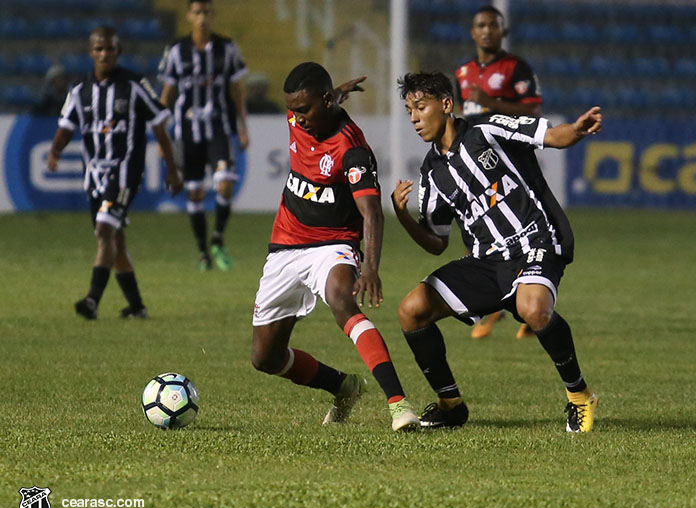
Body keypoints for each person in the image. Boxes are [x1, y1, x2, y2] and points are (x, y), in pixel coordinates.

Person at [392, 72, 601, 432]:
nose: (413, 117)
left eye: (420, 107)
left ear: (445, 105)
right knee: (412, 311)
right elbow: (436, 241)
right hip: (486, 262)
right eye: (409, 110)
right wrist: (401, 216)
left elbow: (550, 135)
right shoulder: (431, 174)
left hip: (536, 240)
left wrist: (578, 131)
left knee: (533, 309)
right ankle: (451, 405)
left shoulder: (487, 129)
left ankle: (580, 396)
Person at [249, 62, 419, 432]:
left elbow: (372, 213)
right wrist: (337, 92)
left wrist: (370, 267)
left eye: (304, 110)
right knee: (264, 357)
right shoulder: (304, 116)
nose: (297, 119)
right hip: (285, 244)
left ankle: (399, 404)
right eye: (293, 110)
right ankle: (343, 386)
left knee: (343, 300)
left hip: (333, 243)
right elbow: (323, 103)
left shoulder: (352, 150)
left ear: (324, 101)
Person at [47, 26, 182, 320]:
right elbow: (66, 127)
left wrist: (171, 169)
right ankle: (137, 307)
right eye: (99, 49)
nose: (104, 54)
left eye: (110, 48)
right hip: (94, 175)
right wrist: (55, 152)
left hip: (124, 173)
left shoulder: (135, 85)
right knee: (114, 240)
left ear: (118, 52)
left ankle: (92, 300)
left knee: (105, 229)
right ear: (91, 53)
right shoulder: (79, 91)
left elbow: (159, 125)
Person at [455, 4, 543, 338]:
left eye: (494, 25)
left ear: (502, 30)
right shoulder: (463, 72)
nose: (487, 30)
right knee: (474, 230)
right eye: (481, 25)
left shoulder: (516, 67)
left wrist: (491, 103)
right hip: (474, 163)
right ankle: (502, 305)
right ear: (473, 32)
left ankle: (530, 305)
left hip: (510, 163)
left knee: (522, 233)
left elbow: (532, 110)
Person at [159, 0, 249, 271]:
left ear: (213, 15)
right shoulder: (177, 51)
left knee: (225, 184)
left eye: (207, 12)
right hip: (187, 132)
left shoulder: (227, 48)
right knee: (195, 193)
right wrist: (160, 132)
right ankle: (203, 253)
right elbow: (168, 95)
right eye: (197, 13)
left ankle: (217, 239)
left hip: (218, 128)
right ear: (189, 16)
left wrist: (243, 127)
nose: (202, 18)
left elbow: (236, 91)